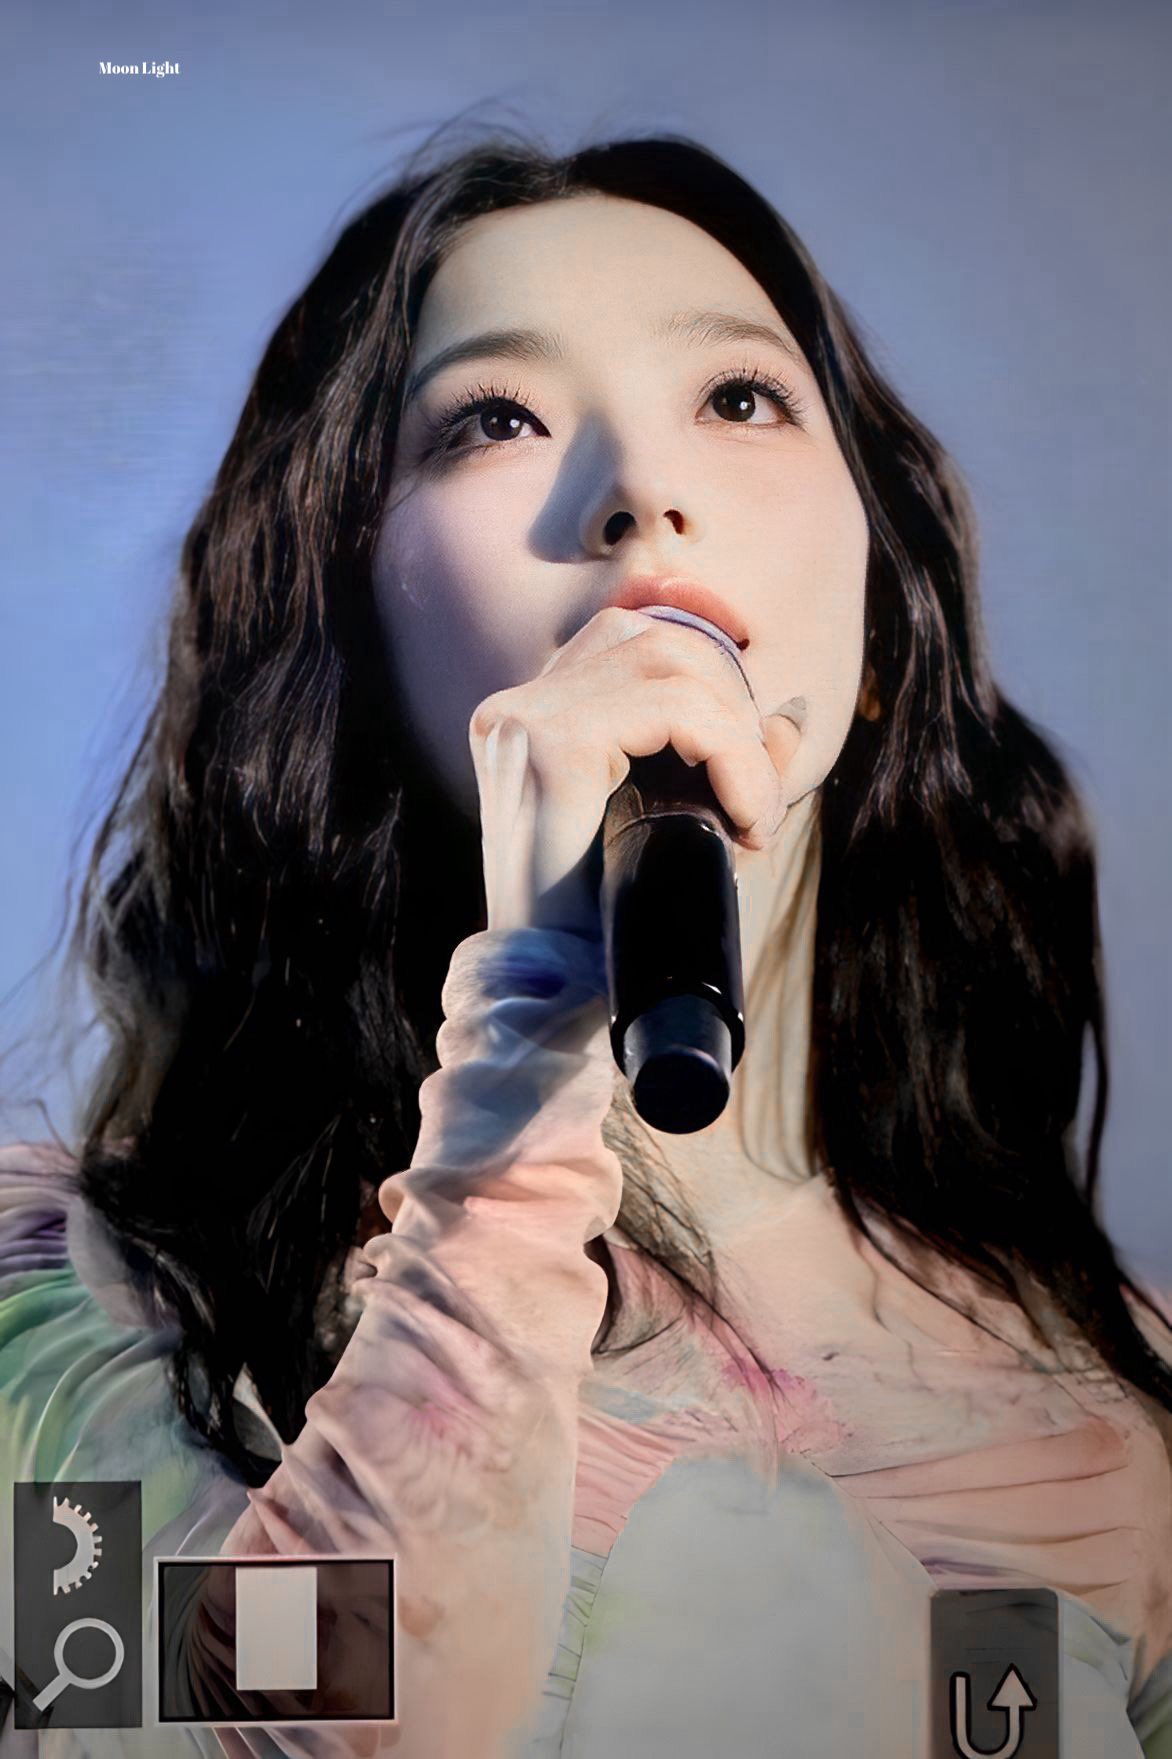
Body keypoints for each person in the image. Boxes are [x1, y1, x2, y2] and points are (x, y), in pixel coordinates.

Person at [2, 124, 1171, 1758]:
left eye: (740, 398)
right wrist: (532, 1025)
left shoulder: (1109, 1419)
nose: (639, 494)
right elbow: (269, 1737)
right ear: (343, 620)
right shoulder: (74, 1296)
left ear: (884, 630)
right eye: (495, 418)